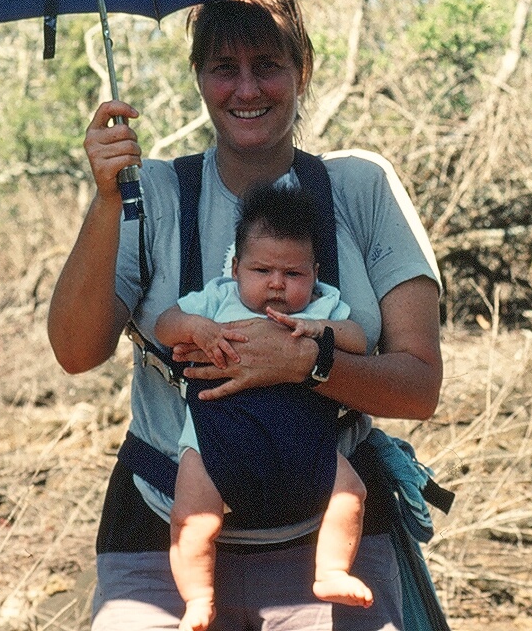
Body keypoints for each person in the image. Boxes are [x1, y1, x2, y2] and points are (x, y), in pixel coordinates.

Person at [47, 0, 442, 631]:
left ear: (302, 71)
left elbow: (420, 388)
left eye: (268, 64)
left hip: (329, 544)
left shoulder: (362, 189)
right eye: (224, 67)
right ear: (200, 79)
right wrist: (105, 200)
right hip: (164, 527)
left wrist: (306, 365)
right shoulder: (151, 196)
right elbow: (74, 352)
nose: (247, 87)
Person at [154, 182, 373, 631]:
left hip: (302, 441)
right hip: (216, 440)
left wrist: (318, 332)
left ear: (314, 273)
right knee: (192, 518)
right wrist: (196, 329)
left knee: (350, 494)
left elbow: (358, 340)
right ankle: (198, 595)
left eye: (293, 274)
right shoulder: (216, 299)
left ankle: (331, 570)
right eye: (261, 270)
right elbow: (165, 325)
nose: (277, 283)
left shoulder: (323, 305)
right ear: (235, 267)